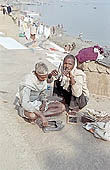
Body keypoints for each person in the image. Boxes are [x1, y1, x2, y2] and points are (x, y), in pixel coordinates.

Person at [14, 62, 65, 126]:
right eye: (42, 77)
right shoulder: (28, 83)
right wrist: (41, 116)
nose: (44, 79)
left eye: (45, 77)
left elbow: (42, 94)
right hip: (27, 106)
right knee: (32, 116)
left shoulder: (43, 80)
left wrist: (43, 103)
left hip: (38, 103)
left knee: (61, 107)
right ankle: (38, 115)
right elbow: (25, 104)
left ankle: (38, 115)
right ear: (36, 73)